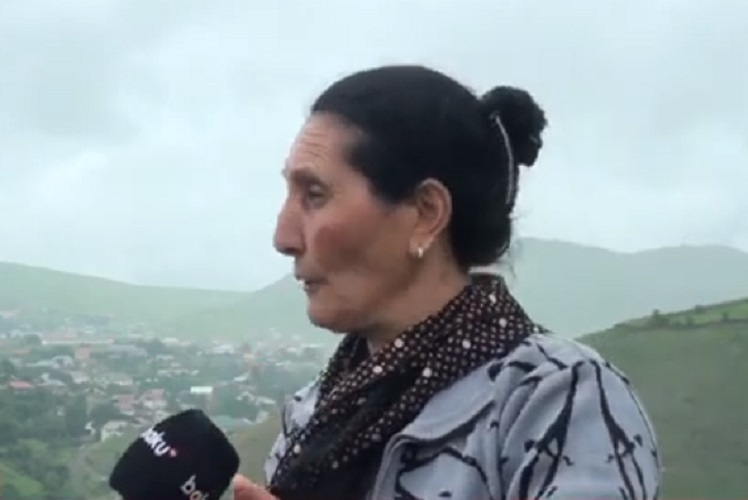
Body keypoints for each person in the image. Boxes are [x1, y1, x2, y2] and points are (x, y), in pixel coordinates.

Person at [233, 65, 661, 500]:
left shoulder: (559, 401)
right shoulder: (314, 414)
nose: (283, 237)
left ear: (426, 214)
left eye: (315, 195)